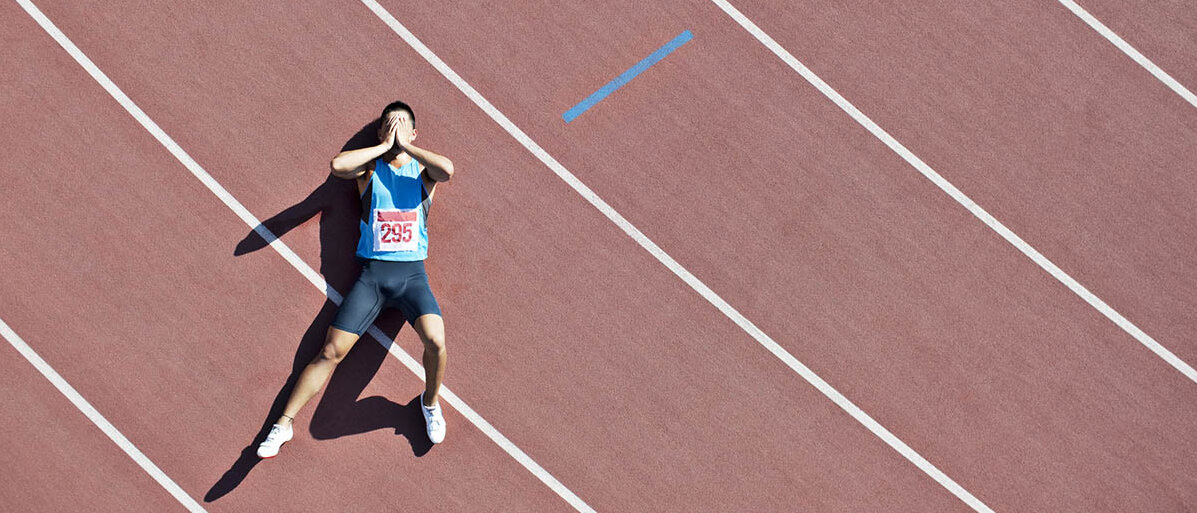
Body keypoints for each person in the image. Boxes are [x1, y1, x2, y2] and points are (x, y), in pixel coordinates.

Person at [258, 100, 455, 458]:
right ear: (380, 133)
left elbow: (447, 170)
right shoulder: (369, 172)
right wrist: (383, 146)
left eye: (402, 127)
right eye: (388, 128)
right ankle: (281, 425)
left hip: (412, 277)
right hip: (373, 279)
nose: (395, 133)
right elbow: (337, 166)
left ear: (413, 133)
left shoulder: (423, 175)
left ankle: (429, 403)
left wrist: (406, 147)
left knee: (436, 342)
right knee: (331, 351)